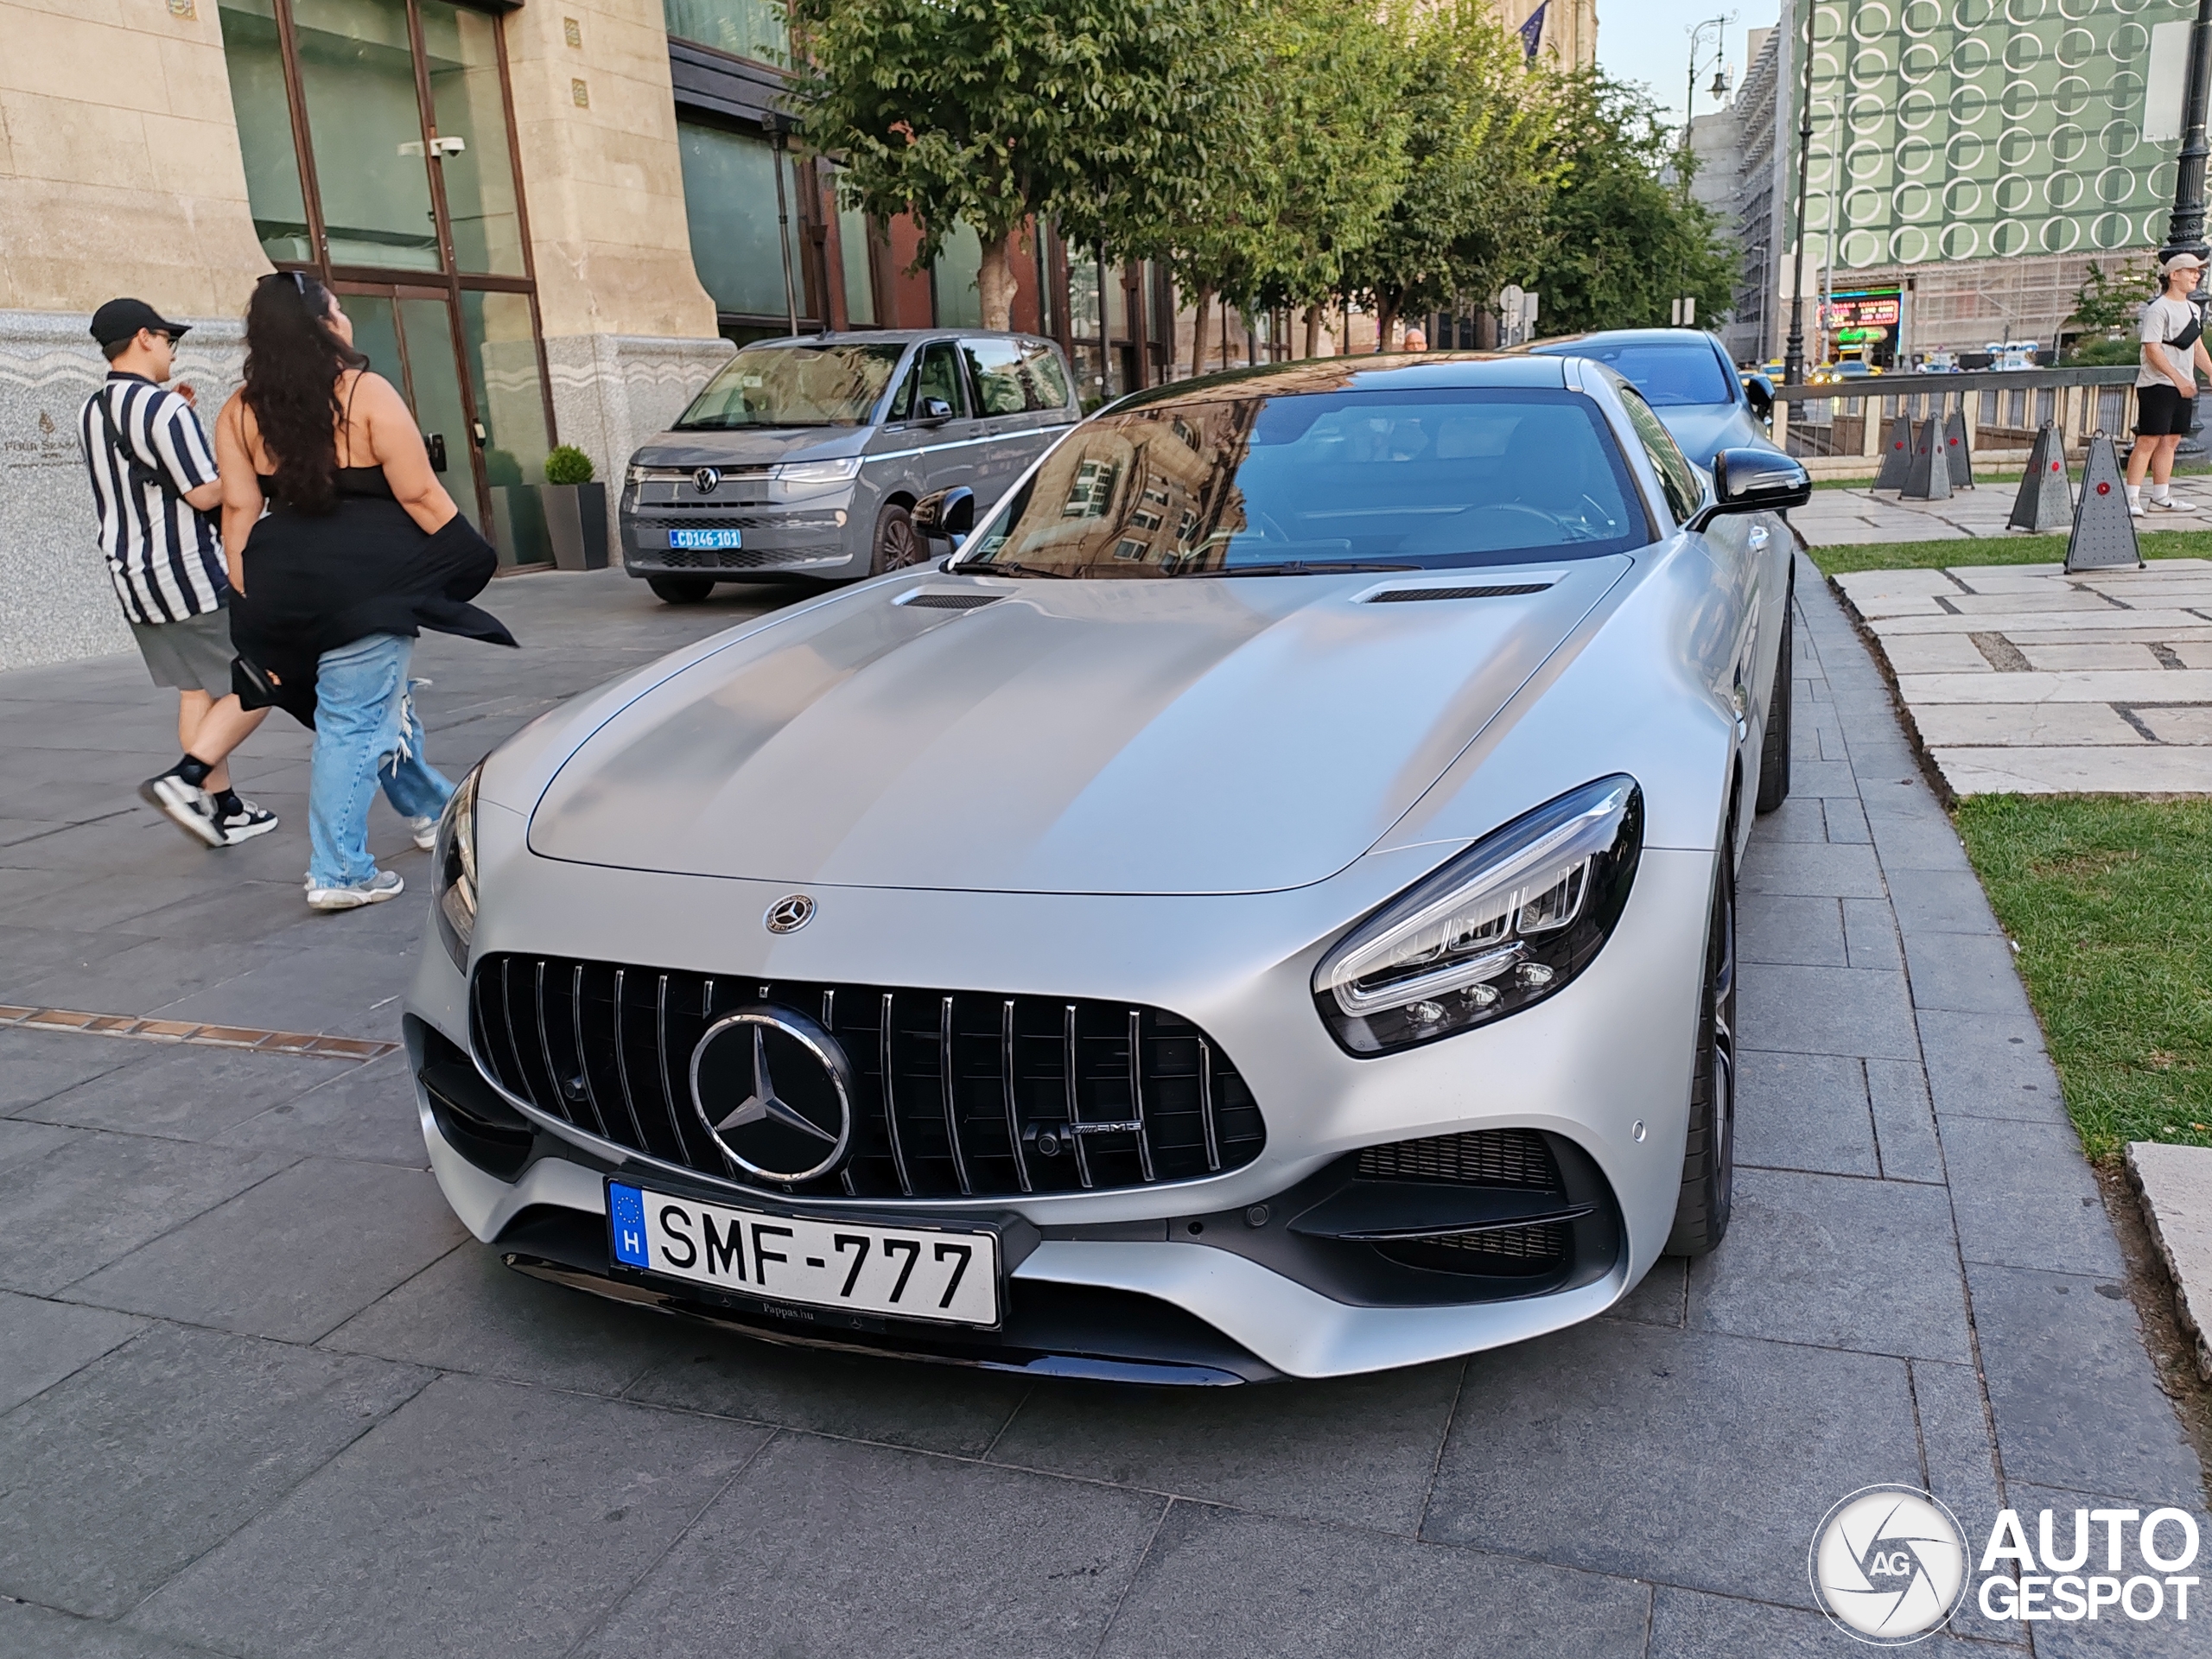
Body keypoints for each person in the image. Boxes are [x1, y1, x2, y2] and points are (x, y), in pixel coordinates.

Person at [215, 273, 514, 912]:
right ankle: (339, 871)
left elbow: (238, 514)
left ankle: (432, 808)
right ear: (321, 323)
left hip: (282, 585)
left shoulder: (240, 410)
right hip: (365, 585)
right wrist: (471, 559)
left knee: (378, 707)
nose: (347, 319)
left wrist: (247, 603)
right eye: (339, 309)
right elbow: (420, 494)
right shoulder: (365, 393)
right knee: (353, 725)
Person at [80, 298, 276, 848]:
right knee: (266, 678)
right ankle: (185, 783)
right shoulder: (164, 411)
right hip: (189, 573)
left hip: (134, 576)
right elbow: (206, 490)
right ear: (145, 337)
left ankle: (223, 809)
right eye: (169, 340)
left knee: (196, 690)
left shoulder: (93, 409)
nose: (171, 350)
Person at [2126, 252, 2212, 517]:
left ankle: (2161, 496)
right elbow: (2152, 349)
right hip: (2157, 384)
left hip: (2182, 384)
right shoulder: (2158, 309)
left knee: (2171, 440)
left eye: (2199, 272)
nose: (2197, 275)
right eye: (2191, 271)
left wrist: (2209, 371)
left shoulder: (2193, 309)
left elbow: (2195, 345)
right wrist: (2177, 379)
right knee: (2149, 440)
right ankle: (2131, 497)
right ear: (2174, 275)